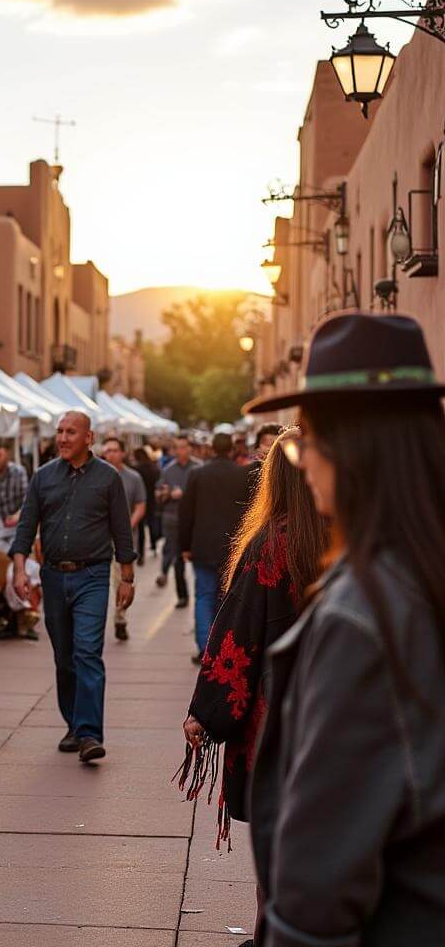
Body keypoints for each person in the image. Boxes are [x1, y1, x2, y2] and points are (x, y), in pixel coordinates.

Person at [244, 312, 445, 947]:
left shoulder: (365, 615)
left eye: (307, 441)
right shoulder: (421, 573)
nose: (301, 463)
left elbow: (316, 892)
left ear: (349, 450)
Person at [178, 427, 326, 941]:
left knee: (277, 832)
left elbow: (237, 634)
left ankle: (274, 930)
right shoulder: (349, 537)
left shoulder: (271, 542)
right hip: (337, 707)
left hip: (278, 714)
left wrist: (206, 711)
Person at [11, 411, 136, 763]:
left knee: (86, 652)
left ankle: (90, 734)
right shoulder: (42, 477)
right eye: (60, 432)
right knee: (64, 658)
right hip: (52, 577)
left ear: (89, 438)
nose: (63, 438)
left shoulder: (109, 479)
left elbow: (122, 531)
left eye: (71, 432)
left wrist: (127, 577)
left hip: (93, 576)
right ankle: (74, 725)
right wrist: (20, 569)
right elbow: (25, 528)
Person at [179, 431, 251, 663]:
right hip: (233, 546)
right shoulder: (241, 474)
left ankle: (204, 648)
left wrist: (185, 544)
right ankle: (223, 647)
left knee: (203, 596)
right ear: (231, 449)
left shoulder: (197, 474)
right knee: (227, 598)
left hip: (203, 545)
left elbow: (186, 513)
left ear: (211, 448)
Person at [100, 437, 146, 641]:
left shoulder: (133, 477)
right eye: (107, 451)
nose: (111, 454)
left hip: (123, 542)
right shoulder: (96, 477)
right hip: (99, 540)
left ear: (122, 453)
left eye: (114, 450)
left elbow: (140, 505)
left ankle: (120, 618)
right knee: (101, 583)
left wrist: (126, 527)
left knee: (121, 581)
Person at [155, 434, 199, 609]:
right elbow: (158, 495)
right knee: (177, 558)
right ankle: (182, 596)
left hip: (195, 520)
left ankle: (201, 595)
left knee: (198, 560)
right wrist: (167, 494)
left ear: (190, 448)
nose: (180, 451)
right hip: (173, 519)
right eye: (177, 447)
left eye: (184, 447)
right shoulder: (168, 470)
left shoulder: (198, 468)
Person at [0, 439, 29, 553]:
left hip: (17, 526)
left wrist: (17, 516)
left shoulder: (18, 472)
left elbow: (27, 501)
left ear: (7, 455)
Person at [132, 445, 161, 563]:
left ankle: (141, 554)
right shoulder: (154, 468)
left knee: (141, 529)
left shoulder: (136, 469)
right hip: (151, 499)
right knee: (152, 522)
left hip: (140, 500)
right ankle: (154, 544)